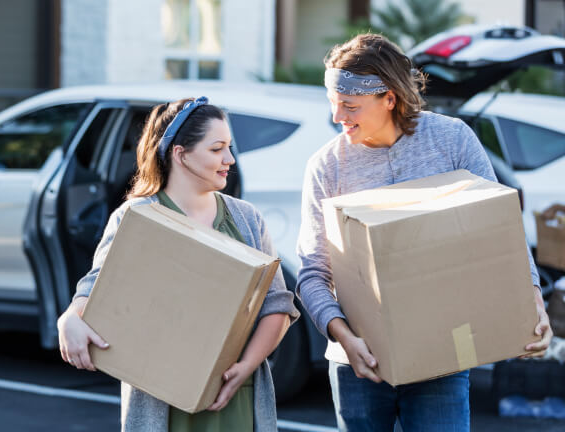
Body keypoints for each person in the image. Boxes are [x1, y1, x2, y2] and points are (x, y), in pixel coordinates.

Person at [296, 34, 553, 432]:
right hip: (358, 364)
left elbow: (500, 235)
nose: (337, 117)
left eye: (349, 105)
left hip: (443, 355)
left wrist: (531, 298)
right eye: (333, 104)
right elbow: (313, 272)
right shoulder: (326, 167)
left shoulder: (452, 141)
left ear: (390, 98)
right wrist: (345, 338)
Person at [57, 97, 300, 432]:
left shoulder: (247, 218)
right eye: (217, 149)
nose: (229, 159)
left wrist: (246, 367)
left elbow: (277, 306)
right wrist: (70, 318)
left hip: (235, 397)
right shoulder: (136, 216)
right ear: (181, 153)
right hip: (162, 400)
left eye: (229, 148)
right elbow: (97, 285)